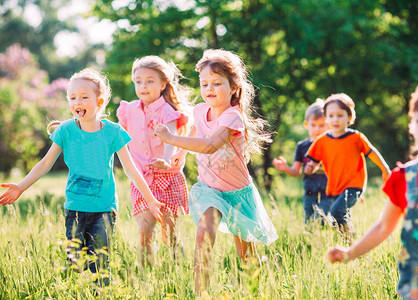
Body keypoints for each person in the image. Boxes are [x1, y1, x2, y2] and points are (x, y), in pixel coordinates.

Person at [0, 68, 162, 286]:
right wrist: (20, 187)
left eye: (84, 97)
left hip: (104, 209)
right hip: (75, 208)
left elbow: (131, 169)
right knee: (75, 262)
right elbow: (45, 164)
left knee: (100, 265)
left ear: (100, 101)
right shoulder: (65, 130)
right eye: (72, 97)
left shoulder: (113, 132)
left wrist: (150, 200)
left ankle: (101, 292)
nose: (78, 101)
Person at [153, 49, 278, 296]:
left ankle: (254, 292)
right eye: (205, 84)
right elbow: (194, 131)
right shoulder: (200, 110)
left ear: (233, 88)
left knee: (246, 255)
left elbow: (210, 144)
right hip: (210, 189)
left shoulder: (233, 117)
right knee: (204, 232)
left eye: (217, 83)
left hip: (238, 194)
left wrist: (172, 139)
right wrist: (183, 152)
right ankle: (202, 293)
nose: (209, 89)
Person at [328, 72, 418, 299]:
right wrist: (350, 253)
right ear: (411, 126)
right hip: (416, 284)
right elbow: (384, 226)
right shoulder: (404, 177)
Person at [116, 56, 191, 265]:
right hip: (141, 180)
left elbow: (171, 140)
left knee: (170, 235)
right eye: (138, 81)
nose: (143, 86)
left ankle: (179, 271)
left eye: (150, 81)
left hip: (166, 179)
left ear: (163, 84)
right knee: (144, 234)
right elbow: (118, 135)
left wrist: (165, 161)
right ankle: (144, 278)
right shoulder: (128, 110)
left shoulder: (168, 111)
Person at [304, 93, 390, 236]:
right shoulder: (322, 141)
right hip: (335, 187)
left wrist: (385, 169)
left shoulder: (356, 138)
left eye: (340, 115)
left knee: (337, 211)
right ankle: (351, 243)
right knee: (338, 219)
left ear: (349, 117)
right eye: (331, 116)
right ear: (326, 118)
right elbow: (312, 162)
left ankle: (351, 244)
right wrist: (310, 167)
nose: (335, 119)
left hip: (354, 185)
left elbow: (372, 152)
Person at [272, 99, 333, 223]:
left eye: (321, 125)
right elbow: (296, 171)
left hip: (328, 191)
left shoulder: (331, 145)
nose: (317, 129)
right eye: (313, 125)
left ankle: (332, 226)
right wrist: (286, 168)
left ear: (328, 125)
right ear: (306, 125)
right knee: (309, 222)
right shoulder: (302, 146)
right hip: (310, 191)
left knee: (320, 218)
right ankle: (312, 241)